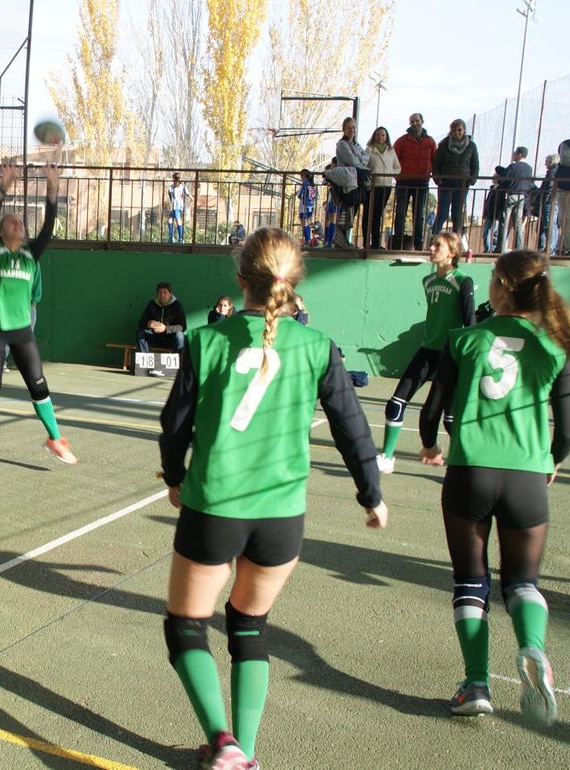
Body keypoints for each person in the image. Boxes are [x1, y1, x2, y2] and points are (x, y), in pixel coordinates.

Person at [158, 227, 387, 769]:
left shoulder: (204, 340)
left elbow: (174, 426)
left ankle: (223, 742)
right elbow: (352, 428)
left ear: (241, 281)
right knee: (249, 623)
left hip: (215, 507)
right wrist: (370, 494)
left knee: (186, 626)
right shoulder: (318, 347)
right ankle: (247, 754)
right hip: (281, 517)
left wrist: (174, 477)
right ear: (296, 282)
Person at [416, 249, 570, 725]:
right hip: (527, 477)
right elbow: (566, 433)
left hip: (470, 473)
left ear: (504, 287)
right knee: (523, 582)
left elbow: (431, 411)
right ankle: (533, 647)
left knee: (470, 581)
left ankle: (476, 684)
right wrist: (553, 460)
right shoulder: (555, 346)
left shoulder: (464, 339)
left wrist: (429, 445)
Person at [0, 161, 76, 484]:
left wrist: (52, 189)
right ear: (2, 232)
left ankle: (55, 437)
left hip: (21, 332)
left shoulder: (31, 256)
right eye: (11, 221)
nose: (17, 223)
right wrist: (3, 188)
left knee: (39, 386)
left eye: (20, 222)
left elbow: (48, 228)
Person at [376, 231, 475, 474]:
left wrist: (467, 358)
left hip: (450, 355)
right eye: (431, 243)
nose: (431, 248)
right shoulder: (428, 282)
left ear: (452, 252)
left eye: (437, 245)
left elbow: (470, 323)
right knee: (395, 402)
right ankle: (387, 456)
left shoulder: (463, 281)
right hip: (427, 350)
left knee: (449, 419)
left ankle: (465, 464)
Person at [392, 113, 438, 251]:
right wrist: (398, 176)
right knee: (400, 213)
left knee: (419, 215)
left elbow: (434, 160)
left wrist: (433, 176)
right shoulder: (401, 141)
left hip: (422, 182)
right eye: (412, 121)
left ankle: (418, 245)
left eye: (417, 121)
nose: (414, 124)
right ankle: (398, 243)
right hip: (404, 182)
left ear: (422, 122)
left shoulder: (430, 142)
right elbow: (393, 159)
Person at [431, 119, 480, 236]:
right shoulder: (444, 145)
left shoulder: (471, 146)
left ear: (464, 130)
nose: (457, 133)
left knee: (457, 213)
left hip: (462, 184)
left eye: (460, 130)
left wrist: (471, 180)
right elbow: (436, 163)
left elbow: (475, 165)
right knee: (442, 212)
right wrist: (438, 180)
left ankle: (456, 240)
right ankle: (433, 237)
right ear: (451, 131)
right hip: (446, 183)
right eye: (454, 130)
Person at [335, 117, 370, 248]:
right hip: (347, 182)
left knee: (351, 212)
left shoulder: (356, 144)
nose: (351, 130)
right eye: (349, 128)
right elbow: (351, 159)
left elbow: (365, 157)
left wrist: (359, 161)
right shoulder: (342, 144)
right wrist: (359, 161)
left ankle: (344, 240)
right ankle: (339, 240)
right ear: (344, 129)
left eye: (353, 127)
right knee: (346, 211)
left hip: (356, 182)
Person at [365, 127, 400, 249]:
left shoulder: (391, 151)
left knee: (378, 214)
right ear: (374, 136)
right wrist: (370, 179)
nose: (380, 137)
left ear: (386, 137)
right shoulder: (369, 150)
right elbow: (364, 167)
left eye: (383, 135)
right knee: (370, 214)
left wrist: (390, 175)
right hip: (373, 186)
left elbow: (397, 167)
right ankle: (366, 242)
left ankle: (375, 242)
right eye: (378, 135)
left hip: (386, 186)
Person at [496, 147, 534, 251]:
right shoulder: (529, 168)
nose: (513, 155)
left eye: (515, 153)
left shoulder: (513, 167)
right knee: (518, 223)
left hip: (511, 194)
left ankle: (500, 247)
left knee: (504, 221)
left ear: (520, 154)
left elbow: (505, 178)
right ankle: (519, 248)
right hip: (522, 196)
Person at [555, 116, 570, 257]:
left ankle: (564, 247)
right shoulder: (565, 144)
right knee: (566, 219)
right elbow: (565, 159)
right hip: (564, 187)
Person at [137, 282, 187, 353]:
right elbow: (141, 323)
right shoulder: (152, 304)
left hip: (170, 339)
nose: (162, 295)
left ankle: (178, 362)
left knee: (180, 335)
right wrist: (149, 323)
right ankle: (145, 359)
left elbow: (183, 326)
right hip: (155, 337)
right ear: (157, 294)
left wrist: (165, 329)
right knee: (141, 332)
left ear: (170, 294)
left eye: (165, 292)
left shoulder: (177, 305)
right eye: (160, 292)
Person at [534, 154, 559, 253]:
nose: (545, 163)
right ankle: (548, 248)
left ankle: (550, 249)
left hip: (549, 202)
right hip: (552, 201)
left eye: (546, 161)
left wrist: (543, 201)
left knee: (549, 225)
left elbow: (549, 187)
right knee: (549, 225)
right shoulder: (554, 171)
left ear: (551, 162)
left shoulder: (552, 172)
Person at [480, 167, 507, 254]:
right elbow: (488, 202)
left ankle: (492, 249)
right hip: (489, 214)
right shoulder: (492, 188)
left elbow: (500, 202)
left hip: (496, 215)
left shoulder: (501, 188)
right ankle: (488, 249)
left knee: (494, 234)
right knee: (486, 233)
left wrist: (498, 214)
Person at [167, 172, 192, 243]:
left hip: (176, 206)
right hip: (178, 205)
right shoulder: (182, 185)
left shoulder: (172, 187)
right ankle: (172, 237)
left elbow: (170, 197)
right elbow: (187, 193)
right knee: (170, 219)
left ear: (173, 178)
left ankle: (180, 238)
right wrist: (192, 198)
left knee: (178, 220)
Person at [295, 169, 316, 246]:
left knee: (303, 223)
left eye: (301, 176)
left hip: (304, 205)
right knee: (306, 223)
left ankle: (308, 240)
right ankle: (309, 240)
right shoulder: (312, 184)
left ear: (303, 175)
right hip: (311, 205)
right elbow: (316, 196)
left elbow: (299, 195)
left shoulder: (304, 184)